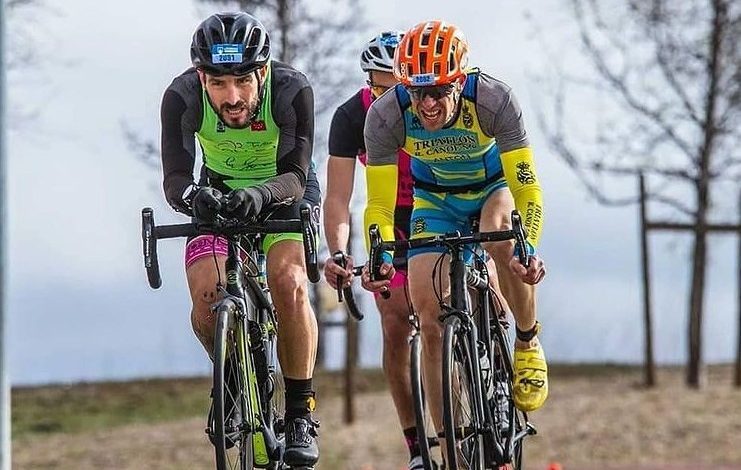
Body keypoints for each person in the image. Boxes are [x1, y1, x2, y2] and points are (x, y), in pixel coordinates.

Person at [362, 19, 549, 458]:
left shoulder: (492, 100)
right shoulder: (387, 115)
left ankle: (526, 341)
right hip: (435, 202)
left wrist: (530, 245)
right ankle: (450, 451)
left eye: (438, 92)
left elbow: (527, 186)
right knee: (428, 315)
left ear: (459, 81)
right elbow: (380, 207)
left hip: (493, 189)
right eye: (416, 92)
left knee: (499, 239)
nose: (426, 105)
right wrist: (380, 250)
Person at [160, 12, 320, 467]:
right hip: (219, 194)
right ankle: (230, 379)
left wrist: (261, 194)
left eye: (243, 82)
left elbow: (295, 173)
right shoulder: (181, 96)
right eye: (218, 83)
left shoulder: (292, 89)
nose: (232, 97)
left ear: (262, 73)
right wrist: (195, 197)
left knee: (287, 283)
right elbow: (175, 177)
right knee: (208, 298)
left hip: (283, 191)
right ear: (200, 78)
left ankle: (299, 412)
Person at [322, 31, 426, 469]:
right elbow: (338, 198)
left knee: (481, 278)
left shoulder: (430, 105)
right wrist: (339, 250)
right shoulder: (351, 117)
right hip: (394, 215)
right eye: (377, 86)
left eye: (396, 87)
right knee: (394, 322)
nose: (386, 96)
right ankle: (417, 446)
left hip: (446, 201)